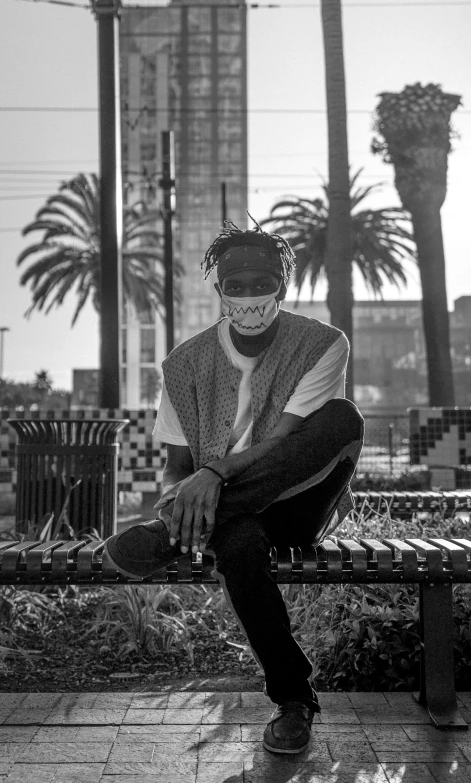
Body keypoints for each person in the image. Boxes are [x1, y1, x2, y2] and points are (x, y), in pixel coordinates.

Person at [105, 221, 364, 755]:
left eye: (260, 282)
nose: (248, 295)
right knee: (241, 548)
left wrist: (216, 475)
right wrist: (180, 494)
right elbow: (178, 467)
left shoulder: (322, 343)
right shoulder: (184, 363)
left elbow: (288, 443)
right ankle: (294, 702)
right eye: (236, 285)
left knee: (341, 417)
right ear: (219, 289)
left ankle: (166, 535)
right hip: (227, 518)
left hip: (299, 500)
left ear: (282, 286)